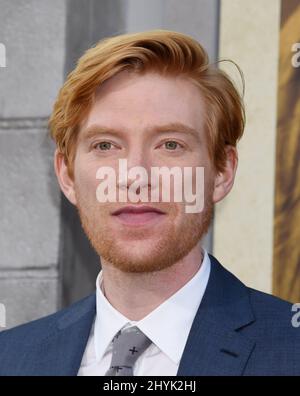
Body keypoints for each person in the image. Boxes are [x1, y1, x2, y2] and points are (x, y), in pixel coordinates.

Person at [0, 30, 299, 376]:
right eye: (106, 146)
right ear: (67, 175)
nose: (136, 176)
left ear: (221, 172)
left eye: (170, 145)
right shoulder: (10, 360)